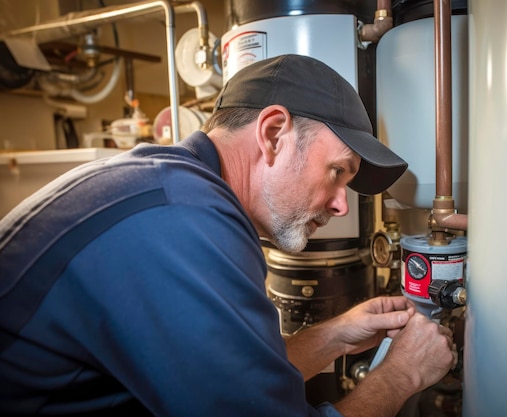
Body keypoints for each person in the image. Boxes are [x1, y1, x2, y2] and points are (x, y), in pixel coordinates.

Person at [0, 54, 456, 417]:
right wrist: (402, 376)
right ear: (274, 134)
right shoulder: (186, 219)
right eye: (337, 171)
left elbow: (224, 383)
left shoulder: (174, 191)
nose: (341, 204)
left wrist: (338, 335)